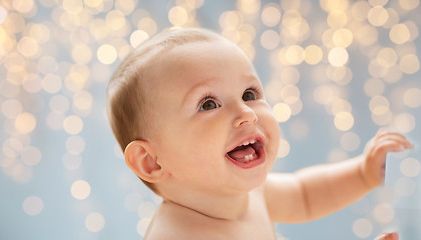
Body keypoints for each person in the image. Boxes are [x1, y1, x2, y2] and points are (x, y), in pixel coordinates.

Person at [106, 28, 412, 240]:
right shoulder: (180, 235)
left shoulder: (248, 195)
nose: (247, 113)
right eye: (208, 104)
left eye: (250, 93)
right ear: (151, 162)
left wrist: (364, 173)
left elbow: (304, 195)